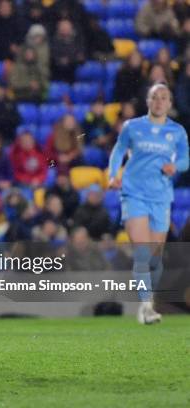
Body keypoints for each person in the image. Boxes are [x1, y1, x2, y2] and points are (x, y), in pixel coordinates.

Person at [108, 83, 189, 324]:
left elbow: (186, 158)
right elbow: (118, 150)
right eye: (155, 97)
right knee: (142, 251)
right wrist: (113, 175)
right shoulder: (133, 127)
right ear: (148, 101)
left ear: (170, 103)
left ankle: (148, 300)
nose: (159, 102)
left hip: (161, 197)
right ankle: (146, 306)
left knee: (155, 256)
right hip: (134, 194)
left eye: (164, 98)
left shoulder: (177, 131)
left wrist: (176, 166)